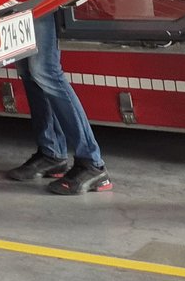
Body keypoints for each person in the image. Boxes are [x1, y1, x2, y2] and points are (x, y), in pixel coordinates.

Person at [8, 11, 113, 194]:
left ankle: (92, 163)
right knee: (28, 71)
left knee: (45, 71)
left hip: (41, 0)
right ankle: (52, 153)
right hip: (19, 2)